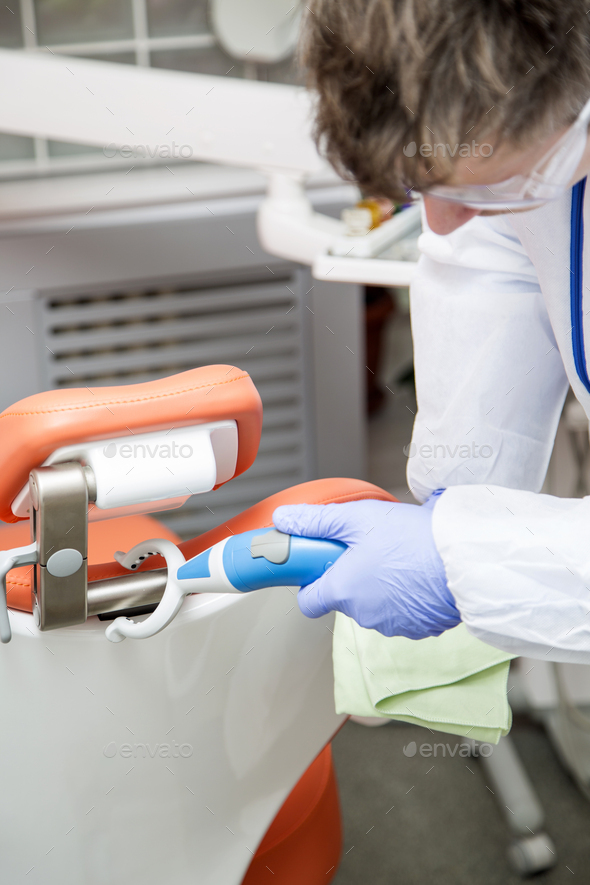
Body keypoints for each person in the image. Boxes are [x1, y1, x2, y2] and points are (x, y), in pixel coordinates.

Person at [273, 0, 590, 663]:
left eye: (493, 188)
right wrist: (461, 494)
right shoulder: (520, 133)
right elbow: (496, 250)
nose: (440, 223)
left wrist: (467, 563)